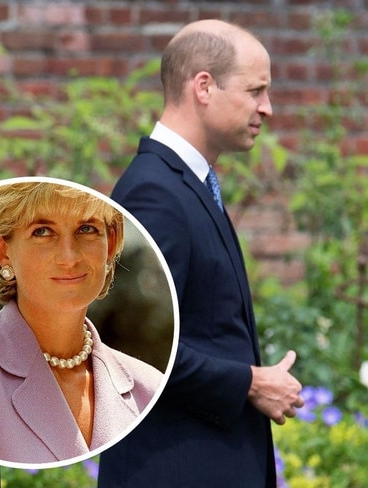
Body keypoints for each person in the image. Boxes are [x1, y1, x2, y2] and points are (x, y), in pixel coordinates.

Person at [97, 19, 304, 487]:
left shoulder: (185, 185)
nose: (267, 108)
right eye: (255, 91)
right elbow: (127, 344)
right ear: (204, 87)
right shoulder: (155, 193)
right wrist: (248, 382)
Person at [0, 180, 164, 464]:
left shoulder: (148, 386)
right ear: (3, 251)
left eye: (87, 229)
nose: (69, 257)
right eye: (42, 232)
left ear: (110, 243)